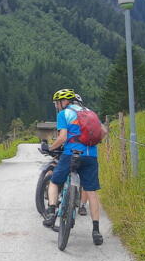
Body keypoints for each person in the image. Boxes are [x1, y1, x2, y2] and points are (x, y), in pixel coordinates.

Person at [40, 88, 103, 245]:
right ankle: (96, 231)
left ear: (64, 102)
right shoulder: (90, 112)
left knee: (54, 181)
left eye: (57, 103)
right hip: (91, 155)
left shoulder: (64, 114)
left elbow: (62, 137)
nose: (57, 106)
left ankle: (51, 212)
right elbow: (103, 131)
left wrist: (51, 148)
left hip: (71, 154)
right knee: (91, 192)